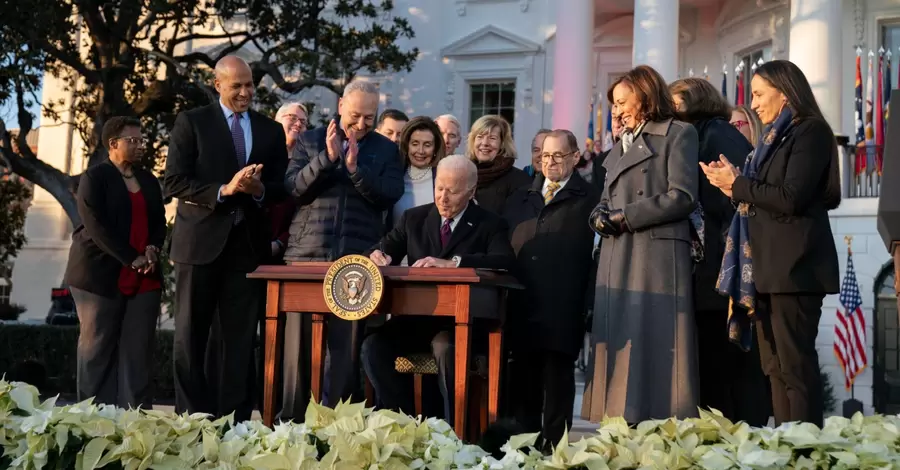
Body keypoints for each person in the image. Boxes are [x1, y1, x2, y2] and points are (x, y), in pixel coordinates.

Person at [701, 59, 841, 427]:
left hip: (796, 269)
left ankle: (807, 451)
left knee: (795, 367)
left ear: (785, 90)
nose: (755, 103)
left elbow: (790, 196)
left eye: (760, 94)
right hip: (763, 270)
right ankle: (784, 444)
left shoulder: (810, 132)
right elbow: (761, 198)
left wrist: (737, 184)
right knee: (773, 369)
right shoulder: (770, 140)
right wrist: (731, 185)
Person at [164, 56, 288, 421]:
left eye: (250, 85)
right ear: (217, 84)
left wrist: (259, 189)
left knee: (239, 341)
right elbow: (174, 181)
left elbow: (280, 188)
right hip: (198, 245)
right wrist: (224, 189)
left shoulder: (270, 130)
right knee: (190, 336)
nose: (246, 92)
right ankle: (190, 420)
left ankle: (233, 425)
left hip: (247, 248)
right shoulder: (192, 122)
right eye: (237, 86)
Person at [582, 65, 700, 424]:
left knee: (655, 346)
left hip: (656, 257)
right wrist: (598, 215)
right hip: (618, 255)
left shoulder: (679, 133)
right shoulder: (620, 145)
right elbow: (605, 196)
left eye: (621, 101)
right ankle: (620, 428)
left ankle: (661, 432)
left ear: (645, 95)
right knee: (620, 346)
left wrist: (622, 217)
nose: (616, 110)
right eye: (613, 104)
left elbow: (682, 197)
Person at [361, 155, 515, 421]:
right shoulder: (414, 219)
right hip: (416, 320)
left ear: (471, 191)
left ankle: (452, 431)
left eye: (452, 191)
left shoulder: (490, 224)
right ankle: (407, 421)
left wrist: (455, 263)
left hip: (461, 325)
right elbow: (383, 248)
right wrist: (376, 256)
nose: (443, 197)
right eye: (439, 188)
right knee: (373, 347)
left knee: (445, 347)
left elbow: (504, 261)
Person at [284, 79, 404, 407]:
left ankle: (337, 428)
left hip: (356, 263)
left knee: (344, 354)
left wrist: (354, 168)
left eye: (369, 117)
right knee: (299, 351)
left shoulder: (386, 149)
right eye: (355, 116)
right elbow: (294, 189)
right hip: (307, 258)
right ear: (340, 107)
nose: (362, 124)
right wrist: (326, 158)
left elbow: (388, 196)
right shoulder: (310, 140)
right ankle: (289, 426)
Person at [669, 77, 769, 426]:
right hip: (714, 269)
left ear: (696, 100)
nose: (670, 110)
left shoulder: (713, 134)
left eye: (676, 103)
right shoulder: (703, 132)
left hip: (720, 269)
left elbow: (726, 200)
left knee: (724, 366)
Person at [502, 129, 600, 447]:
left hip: (564, 305)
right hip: (523, 304)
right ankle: (525, 449)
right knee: (525, 383)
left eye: (558, 155)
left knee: (558, 381)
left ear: (574, 157)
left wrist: (587, 302)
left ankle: (555, 452)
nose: (550, 162)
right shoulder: (521, 198)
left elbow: (596, 257)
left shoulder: (590, 199)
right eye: (545, 155)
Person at [64, 116, 166, 409]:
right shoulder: (95, 177)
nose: (140, 146)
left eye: (141, 140)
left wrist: (151, 248)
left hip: (144, 274)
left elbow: (159, 221)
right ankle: (93, 420)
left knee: (138, 352)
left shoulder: (147, 179)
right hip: (98, 274)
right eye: (133, 141)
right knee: (97, 349)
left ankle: (135, 425)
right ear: (113, 144)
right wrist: (129, 257)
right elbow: (95, 226)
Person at [387, 116, 448, 234]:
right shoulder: (395, 174)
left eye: (427, 145)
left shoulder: (443, 177)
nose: (420, 151)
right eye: (415, 143)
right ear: (406, 145)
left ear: (435, 148)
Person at [466, 115, 531, 214]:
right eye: (479, 137)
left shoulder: (519, 180)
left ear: (502, 144)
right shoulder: (464, 175)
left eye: (492, 138)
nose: (485, 143)